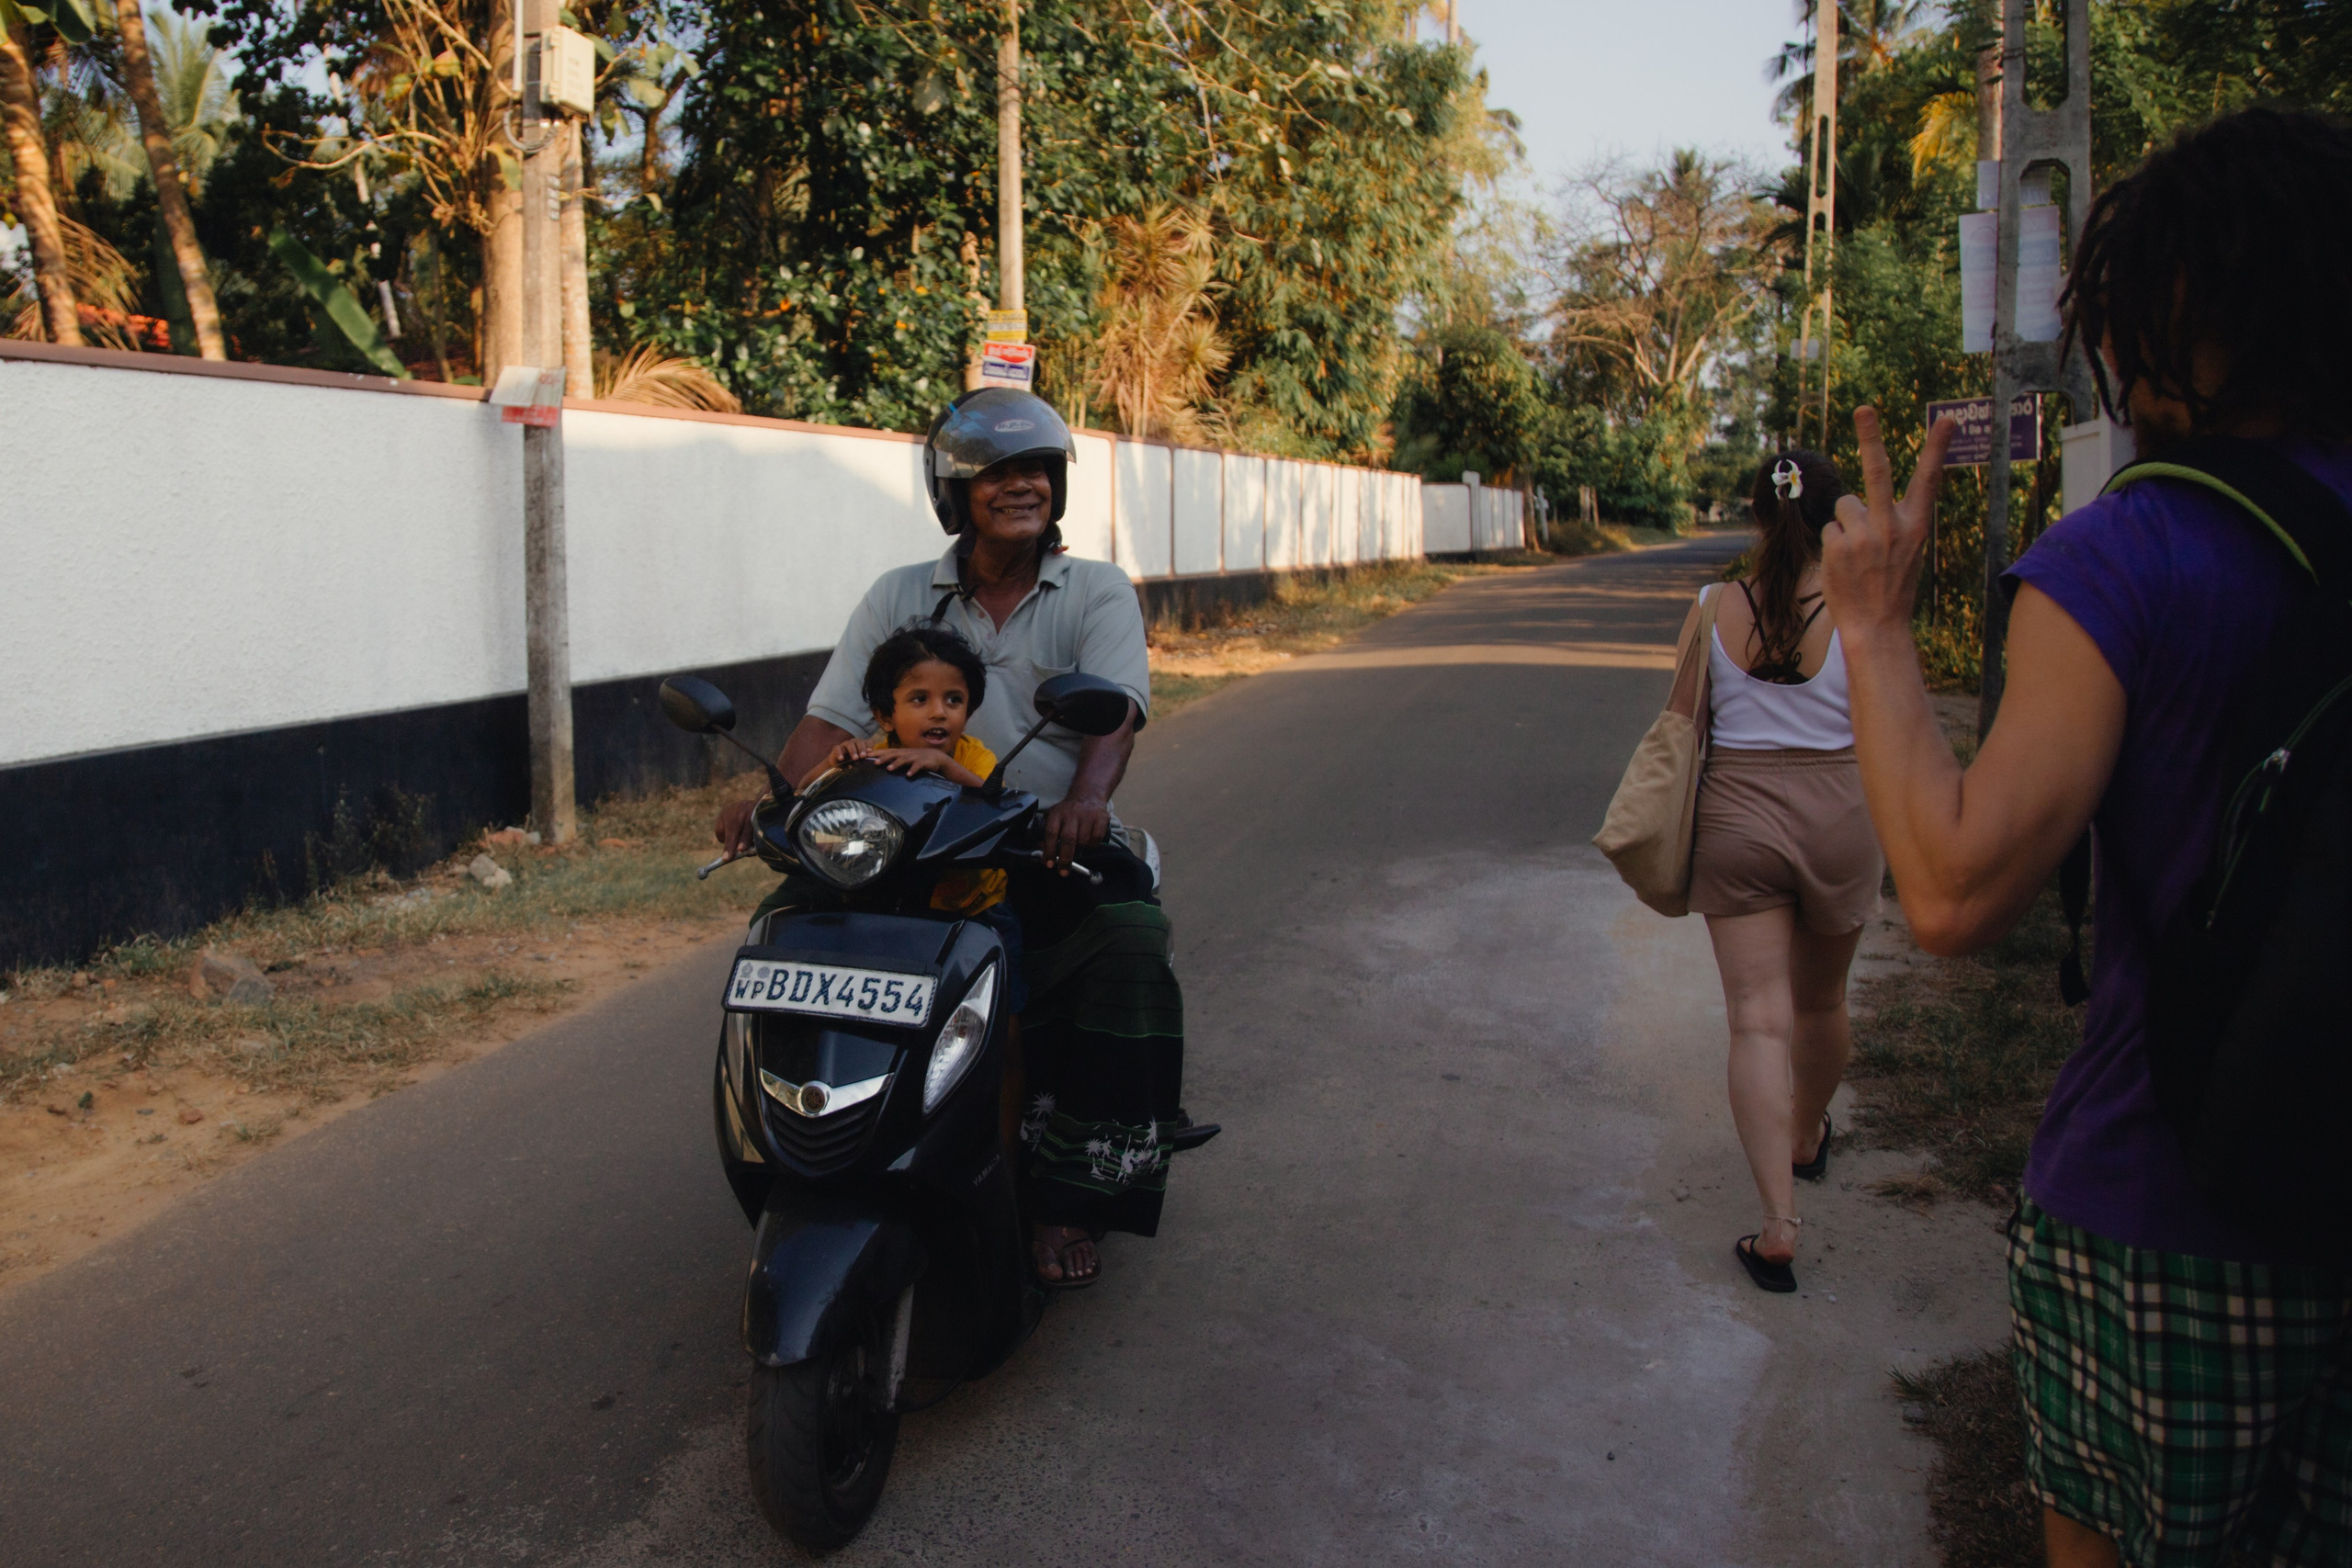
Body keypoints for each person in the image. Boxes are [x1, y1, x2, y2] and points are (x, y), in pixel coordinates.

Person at [1821, 107, 2352, 1568]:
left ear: (2163, 309)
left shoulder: (2130, 551)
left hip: (2164, 1216)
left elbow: (1950, 886)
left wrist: (1873, 624)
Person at [717, 387, 1178, 1291]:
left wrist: (1082, 803)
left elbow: (1112, 716)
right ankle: (809, 1142)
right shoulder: (898, 595)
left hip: (1037, 847)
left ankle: (1070, 1192)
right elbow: (829, 719)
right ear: (953, 494)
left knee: (1129, 941)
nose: (1022, 487)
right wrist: (769, 795)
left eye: (1037, 470)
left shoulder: (1094, 589)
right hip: (902, 849)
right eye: (997, 474)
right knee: (783, 932)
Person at [1671, 449, 1883, 1293]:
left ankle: (1777, 1224)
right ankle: (1805, 1137)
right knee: (1823, 1000)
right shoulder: (1858, 611)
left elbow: (1682, 722)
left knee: (1758, 1021)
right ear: (1831, 519)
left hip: (1738, 816)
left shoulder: (1716, 605)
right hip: (1841, 810)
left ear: (1757, 517)